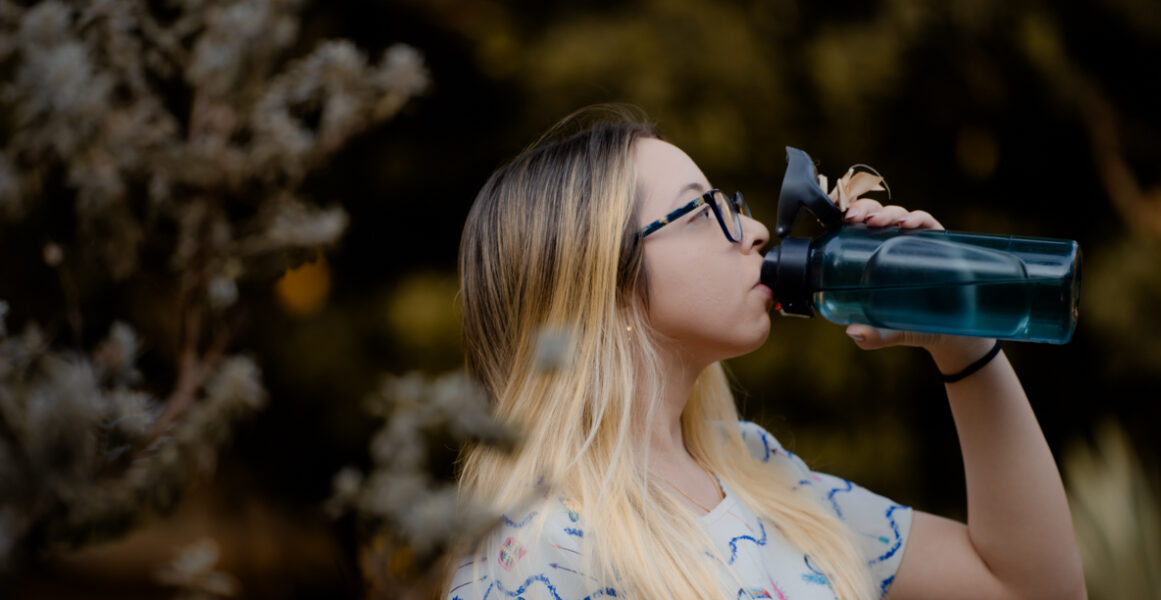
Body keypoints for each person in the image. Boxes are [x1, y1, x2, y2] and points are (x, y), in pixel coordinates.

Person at [444, 105, 1085, 599]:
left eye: (732, 205)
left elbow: (1029, 587)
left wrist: (961, 338)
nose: (752, 230)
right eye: (701, 211)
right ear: (600, 283)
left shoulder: (759, 472)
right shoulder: (533, 550)